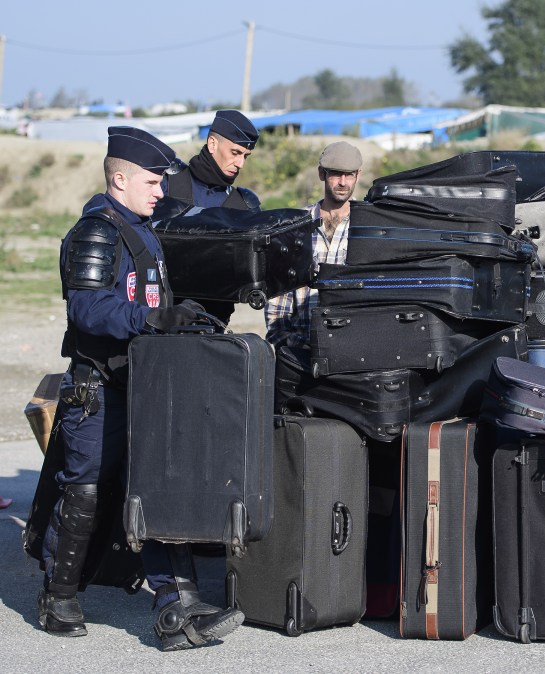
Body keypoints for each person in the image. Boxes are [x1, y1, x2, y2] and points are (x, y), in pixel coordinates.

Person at [34, 126, 244, 651]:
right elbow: (87, 309)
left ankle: (180, 610)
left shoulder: (146, 230)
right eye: (152, 182)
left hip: (148, 384)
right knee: (85, 488)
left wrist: (187, 316)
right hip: (99, 388)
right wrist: (153, 318)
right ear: (120, 179)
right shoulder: (97, 231)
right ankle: (58, 596)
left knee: (158, 490)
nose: (159, 192)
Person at [263, 141, 362, 406]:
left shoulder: (369, 227)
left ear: (358, 176)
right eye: (335, 174)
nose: (342, 182)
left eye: (349, 175)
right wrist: (288, 346)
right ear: (321, 174)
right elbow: (277, 300)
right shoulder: (295, 226)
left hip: (353, 360)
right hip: (299, 358)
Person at [159, 109, 261, 324]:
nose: (241, 163)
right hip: (158, 318)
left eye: (245, 156)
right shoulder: (166, 184)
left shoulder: (243, 205)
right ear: (213, 144)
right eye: (235, 152)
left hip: (211, 323)